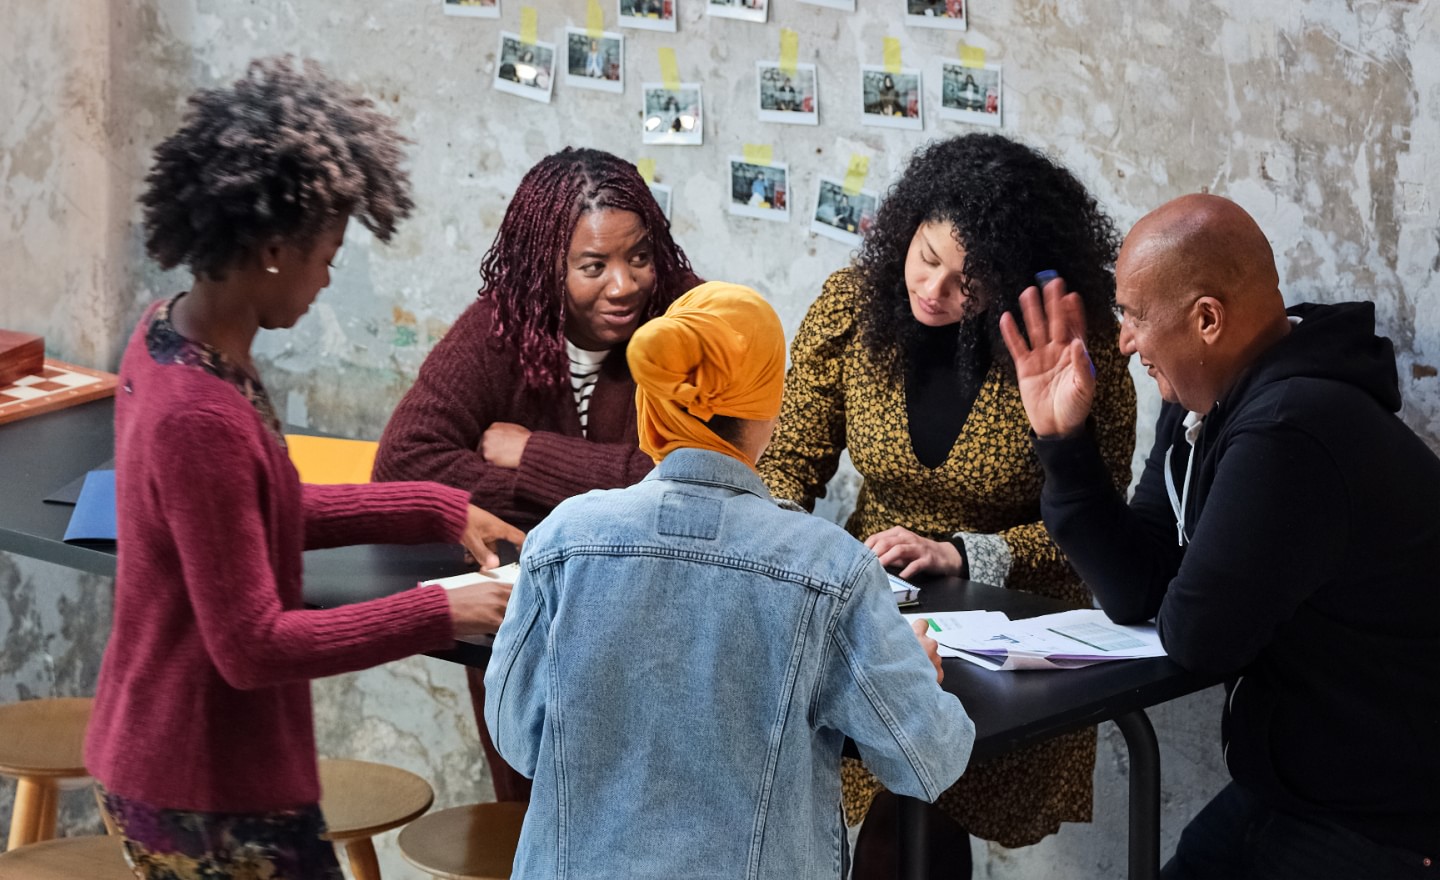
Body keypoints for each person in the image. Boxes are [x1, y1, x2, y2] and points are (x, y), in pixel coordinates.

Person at [83, 57, 526, 879]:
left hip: (181, 760)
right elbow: (250, 645)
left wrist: (436, 506)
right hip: (203, 787)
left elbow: (253, 511)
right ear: (277, 250)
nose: (328, 279)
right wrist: (442, 609)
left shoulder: (176, 338)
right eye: (327, 255)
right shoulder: (198, 413)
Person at [1001, 193, 1440, 879]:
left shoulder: (1291, 429)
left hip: (1385, 817)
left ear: (1206, 319)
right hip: (1294, 790)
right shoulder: (1206, 403)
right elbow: (1139, 583)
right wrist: (1063, 445)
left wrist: (1185, 581)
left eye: (1134, 316)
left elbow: (1199, 634)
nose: (1124, 342)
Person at [485, 282, 974, 879]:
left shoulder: (561, 541)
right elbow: (930, 760)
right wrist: (913, 673)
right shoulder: (830, 570)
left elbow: (517, 738)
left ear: (653, 403)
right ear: (770, 406)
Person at [756, 132, 1136, 878]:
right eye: (926, 258)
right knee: (895, 813)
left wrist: (965, 551)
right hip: (881, 609)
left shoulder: (1065, 350)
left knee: (919, 814)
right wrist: (764, 547)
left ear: (1017, 282)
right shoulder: (851, 311)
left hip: (1016, 632)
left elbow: (1102, 529)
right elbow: (790, 459)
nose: (933, 291)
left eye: (968, 282)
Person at [373, 146, 701, 802]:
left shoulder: (690, 322)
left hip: (658, 635)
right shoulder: (503, 327)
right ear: (545, 267)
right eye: (593, 266)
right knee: (527, 827)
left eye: (639, 256)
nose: (624, 284)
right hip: (523, 634)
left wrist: (535, 458)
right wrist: (600, 483)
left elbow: (691, 481)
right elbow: (402, 465)